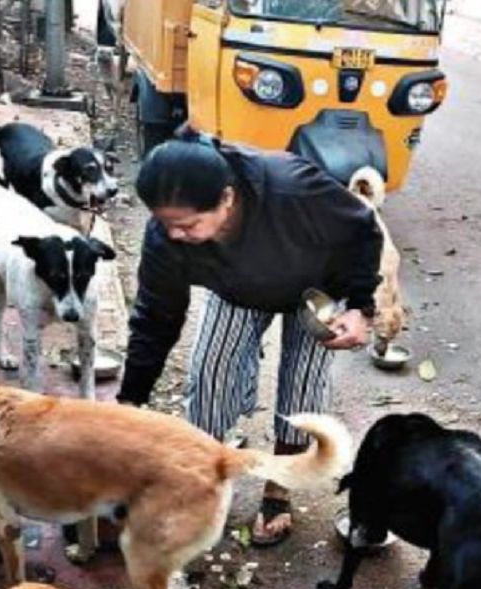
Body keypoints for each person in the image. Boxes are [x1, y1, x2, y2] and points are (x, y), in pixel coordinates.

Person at [115, 127, 382, 546]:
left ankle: (279, 487)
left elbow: (363, 229)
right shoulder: (165, 238)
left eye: (186, 225)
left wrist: (360, 306)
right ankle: (200, 477)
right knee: (210, 377)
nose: (173, 236)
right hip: (236, 291)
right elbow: (155, 321)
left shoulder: (291, 188)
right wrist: (129, 400)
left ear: (226, 198)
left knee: (304, 384)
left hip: (316, 290)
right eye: (164, 223)